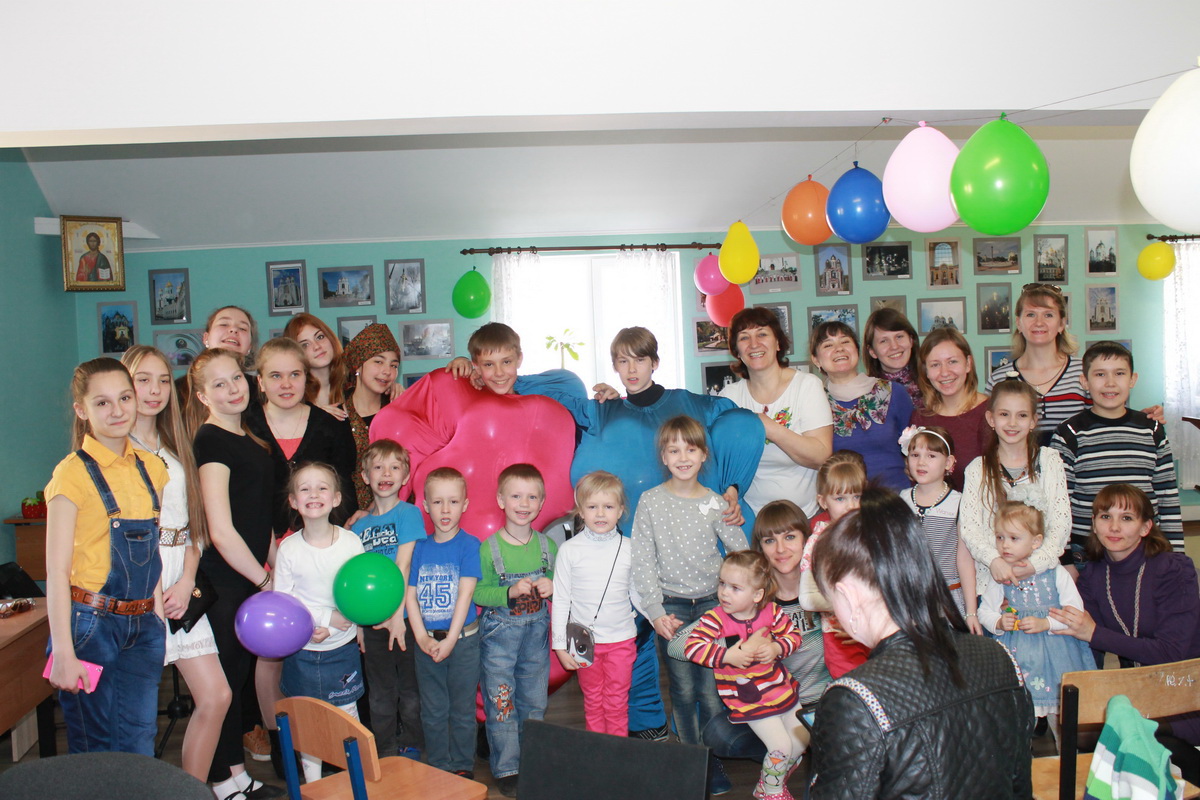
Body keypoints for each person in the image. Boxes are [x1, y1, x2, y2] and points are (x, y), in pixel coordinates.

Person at [516, 325, 760, 741]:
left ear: (655, 362)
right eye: (622, 361)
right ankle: (648, 722)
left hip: (688, 556)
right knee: (634, 639)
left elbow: (740, 422)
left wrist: (732, 484)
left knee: (698, 658)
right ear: (613, 366)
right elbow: (553, 392)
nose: (631, 369)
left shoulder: (687, 402)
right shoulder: (604, 409)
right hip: (625, 546)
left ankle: (710, 741)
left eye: (639, 360)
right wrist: (496, 374)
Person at [807, 489, 1034, 799]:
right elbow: (1019, 787)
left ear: (847, 594)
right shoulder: (1000, 656)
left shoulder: (855, 700)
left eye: (831, 599)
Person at [44, 358, 168, 756]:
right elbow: (56, 570)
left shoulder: (152, 468)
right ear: (81, 410)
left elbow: (151, 548)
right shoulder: (71, 474)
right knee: (95, 748)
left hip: (143, 626)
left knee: (139, 744)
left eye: (125, 398)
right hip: (90, 627)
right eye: (102, 402)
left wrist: (158, 617)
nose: (117, 410)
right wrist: (63, 651)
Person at [122, 346, 231, 781]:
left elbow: (192, 524)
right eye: (143, 380)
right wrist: (151, 594)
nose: (154, 390)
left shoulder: (175, 444)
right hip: (137, 583)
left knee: (216, 696)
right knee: (137, 717)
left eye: (163, 380)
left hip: (181, 578)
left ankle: (192, 789)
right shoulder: (118, 449)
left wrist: (186, 580)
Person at [1050, 484, 1200, 781]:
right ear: (1094, 524)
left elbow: (1171, 653)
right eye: (1105, 516)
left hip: (1188, 693)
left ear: (1146, 527)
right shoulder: (1093, 576)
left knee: (1130, 736)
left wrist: (1095, 634)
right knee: (1081, 730)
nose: (1114, 527)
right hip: (1143, 694)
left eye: (1127, 518)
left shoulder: (1175, 569)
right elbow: (1084, 644)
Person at [631, 415, 748, 794]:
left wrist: (739, 599)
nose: (683, 457)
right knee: (682, 689)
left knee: (711, 690)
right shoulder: (650, 502)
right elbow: (642, 561)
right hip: (672, 610)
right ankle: (690, 759)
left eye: (691, 449)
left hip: (714, 608)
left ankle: (711, 760)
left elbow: (740, 552)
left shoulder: (716, 503)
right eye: (674, 450)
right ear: (664, 457)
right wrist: (655, 612)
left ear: (703, 455)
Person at [186, 348, 283, 800]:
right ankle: (222, 783)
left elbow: (259, 517)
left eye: (236, 379)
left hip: (248, 577)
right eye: (219, 384)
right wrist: (264, 581)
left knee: (238, 679)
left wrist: (276, 564)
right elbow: (221, 530)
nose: (232, 389)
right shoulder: (210, 440)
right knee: (224, 683)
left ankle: (238, 775)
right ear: (203, 396)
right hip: (224, 582)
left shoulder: (249, 438)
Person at [695, 501, 829, 770]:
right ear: (760, 548)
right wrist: (736, 649)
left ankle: (791, 757)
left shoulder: (825, 589)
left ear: (806, 540)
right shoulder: (749, 598)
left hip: (821, 703)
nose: (780, 549)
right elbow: (679, 645)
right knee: (718, 734)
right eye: (770, 540)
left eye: (789, 537)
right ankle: (785, 756)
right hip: (771, 704)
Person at [685, 550, 808, 800]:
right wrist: (727, 656)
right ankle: (771, 791)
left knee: (802, 739)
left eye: (735, 588)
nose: (724, 592)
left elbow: (794, 637)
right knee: (780, 746)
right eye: (722, 583)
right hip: (749, 699)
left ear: (757, 595)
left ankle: (768, 780)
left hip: (781, 689)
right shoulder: (715, 619)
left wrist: (776, 648)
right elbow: (692, 647)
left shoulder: (772, 612)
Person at [273, 462, 367, 784]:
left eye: (322, 488)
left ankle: (353, 783)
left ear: (337, 498)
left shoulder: (351, 543)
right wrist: (323, 619)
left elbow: (361, 593)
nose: (314, 494)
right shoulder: (288, 549)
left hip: (342, 649)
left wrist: (354, 624)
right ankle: (313, 787)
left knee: (347, 716)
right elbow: (284, 600)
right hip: (301, 651)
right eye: (305, 489)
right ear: (293, 501)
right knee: (308, 722)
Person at [1050, 341, 1183, 560]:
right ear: (1084, 381)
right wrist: (1064, 559)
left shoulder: (1152, 430)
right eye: (1100, 374)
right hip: (1088, 552)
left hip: (1145, 548)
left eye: (1119, 373)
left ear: (1132, 379)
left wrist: (1175, 556)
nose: (1110, 383)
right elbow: (1058, 503)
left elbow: (1167, 495)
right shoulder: (1069, 433)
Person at [473, 464, 557, 797]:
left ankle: (532, 760)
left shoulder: (549, 546)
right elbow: (478, 593)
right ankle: (507, 767)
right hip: (499, 639)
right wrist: (508, 592)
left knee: (534, 702)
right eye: (516, 496)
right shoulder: (489, 548)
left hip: (536, 638)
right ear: (501, 500)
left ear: (542, 502)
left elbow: (564, 587)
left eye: (532, 497)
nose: (524, 504)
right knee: (502, 703)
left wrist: (554, 586)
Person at [979, 502, 1092, 746]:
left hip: (1056, 656)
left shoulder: (1056, 572)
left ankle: (1067, 760)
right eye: (1000, 537)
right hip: (1017, 658)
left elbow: (1075, 611)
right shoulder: (1000, 576)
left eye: (1014, 538)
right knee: (1019, 716)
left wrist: (1046, 623)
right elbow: (984, 611)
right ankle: (1023, 762)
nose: (1005, 545)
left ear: (1036, 541)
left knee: (1061, 716)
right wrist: (999, 622)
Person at [349, 439, 426, 761]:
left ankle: (413, 743)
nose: (386, 473)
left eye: (395, 467)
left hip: (405, 618)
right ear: (365, 476)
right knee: (380, 691)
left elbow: (403, 566)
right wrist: (359, 626)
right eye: (378, 467)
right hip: (372, 623)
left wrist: (397, 616)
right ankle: (384, 750)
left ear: (405, 477)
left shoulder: (409, 513)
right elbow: (355, 580)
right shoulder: (358, 527)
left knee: (410, 689)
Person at [405, 468, 483, 778]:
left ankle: (462, 765)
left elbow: (465, 595)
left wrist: (450, 640)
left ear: (465, 504)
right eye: (438, 502)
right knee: (433, 709)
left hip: (463, 642)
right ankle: (439, 766)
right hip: (427, 642)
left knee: (462, 709)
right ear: (426, 506)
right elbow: (410, 596)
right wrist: (422, 638)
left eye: (453, 501)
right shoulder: (420, 547)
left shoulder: (469, 545)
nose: (446, 510)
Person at [719, 307, 833, 517]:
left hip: (804, 517)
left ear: (778, 343)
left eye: (762, 334)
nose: (754, 344)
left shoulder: (806, 385)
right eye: (744, 337)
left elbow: (821, 456)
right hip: (749, 519)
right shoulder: (729, 397)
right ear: (737, 351)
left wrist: (767, 426)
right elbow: (724, 463)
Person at [960, 380, 1070, 590]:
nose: (1012, 423)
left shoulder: (1050, 461)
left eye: (1022, 415)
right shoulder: (977, 469)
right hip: (992, 584)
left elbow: (1060, 525)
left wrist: (1033, 565)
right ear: (991, 419)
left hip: (1041, 580)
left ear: (1033, 421)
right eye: (1004, 414)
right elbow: (970, 529)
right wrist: (994, 561)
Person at [551, 472, 638, 737]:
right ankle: (596, 754)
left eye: (608, 506)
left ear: (620, 510)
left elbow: (639, 593)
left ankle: (617, 754)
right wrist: (559, 645)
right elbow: (561, 599)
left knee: (616, 703)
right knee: (592, 701)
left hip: (621, 640)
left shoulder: (630, 548)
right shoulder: (569, 550)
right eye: (592, 507)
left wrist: (659, 617)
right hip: (583, 643)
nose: (600, 514)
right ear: (581, 511)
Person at [245, 337, 358, 534]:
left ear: (306, 377)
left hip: (322, 541)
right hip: (258, 542)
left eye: (295, 374)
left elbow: (344, 489)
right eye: (276, 376)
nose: (286, 384)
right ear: (261, 382)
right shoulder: (245, 427)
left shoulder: (331, 426)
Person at [810, 321, 912, 489]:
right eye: (828, 345)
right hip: (843, 500)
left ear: (857, 350)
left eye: (845, 341)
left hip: (896, 498)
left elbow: (916, 450)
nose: (839, 349)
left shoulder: (894, 392)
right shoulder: (813, 402)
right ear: (816, 359)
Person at [985, 283, 1087, 443]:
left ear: (1061, 324)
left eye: (1048, 315)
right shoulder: (999, 378)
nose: (1039, 322)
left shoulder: (1083, 372)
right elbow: (990, 437)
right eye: (1031, 314)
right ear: (1019, 323)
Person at [897, 425, 978, 627]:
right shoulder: (901, 500)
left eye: (931, 456)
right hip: (909, 603)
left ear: (948, 462)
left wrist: (971, 613)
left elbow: (965, 560)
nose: (921, 462)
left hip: (947, 601)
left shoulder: (959, 503)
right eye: (915, 455)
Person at [798, 452, 869, 678]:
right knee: (852, 690)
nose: (851, 506)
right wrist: (849, 613)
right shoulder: (818, 543)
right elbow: (808, 598)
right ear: (822, 501)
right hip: (840, 635)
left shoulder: (876, 534)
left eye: (857, 496)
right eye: (840, 499)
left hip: (878, 631)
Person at [913, 326, 989, 491]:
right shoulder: (920, 418)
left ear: (968, 363)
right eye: (935, 365)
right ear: (926, 371)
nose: (945, 372)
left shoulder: (991, 413)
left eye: (952, 362)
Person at [342, 323, 402, 509]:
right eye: (378, 361)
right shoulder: (336, 417)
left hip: (397, 514)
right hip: (348, 516)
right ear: (358, 365)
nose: (387, 371)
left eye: (394, 365)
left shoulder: (398, 414)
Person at [176, 306, 258, 408]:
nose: (233, 330)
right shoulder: (178, 391)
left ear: (249, 347)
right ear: (206, 338)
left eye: (242, 328)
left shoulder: (260, 390)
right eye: (224, 324)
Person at [283, 313, 349, 420]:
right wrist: (316, 415)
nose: (317, 346)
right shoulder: (292, 394)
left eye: (320, 337)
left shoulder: (354, 382)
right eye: (305, 345)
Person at [862, 307, 922, 410]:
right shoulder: (865, 394)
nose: (894, 346)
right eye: (884, 341)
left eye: (899, 337)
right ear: (872, 351)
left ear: (911, 340)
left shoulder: (933, 380)